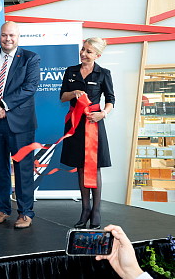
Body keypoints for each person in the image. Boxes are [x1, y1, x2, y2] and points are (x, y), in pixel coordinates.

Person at [0, 21, 40, 229]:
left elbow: (30, 87)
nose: (7, 39)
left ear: (18, 36)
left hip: (20, 123)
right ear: (0, 36)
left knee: (23, 168)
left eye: (11, 35)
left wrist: (3, 104)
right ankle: (2, 209)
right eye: (4, 35)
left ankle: (25, 212)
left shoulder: (30, 58)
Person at [60, 37, 114, 229]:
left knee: (94, 166)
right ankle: (85, 209)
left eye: (89, 51)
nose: (84, 54)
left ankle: (96, 210)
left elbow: (110, 99)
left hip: (94, 124)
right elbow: (62, 96)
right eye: (83, 49)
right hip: (76, 123)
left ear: (97, 55)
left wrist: (103, 114)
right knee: (81, 167)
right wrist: (73, 93)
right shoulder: (71, 71)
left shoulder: (104, 73)